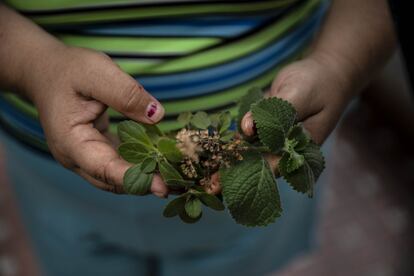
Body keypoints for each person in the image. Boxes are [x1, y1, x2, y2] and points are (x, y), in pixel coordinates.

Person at [0, 0, 395, 275]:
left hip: (256, 167)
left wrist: (339, 66)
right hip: (54, 168)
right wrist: (34, 65)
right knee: (79, 256)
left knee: (241, 259)